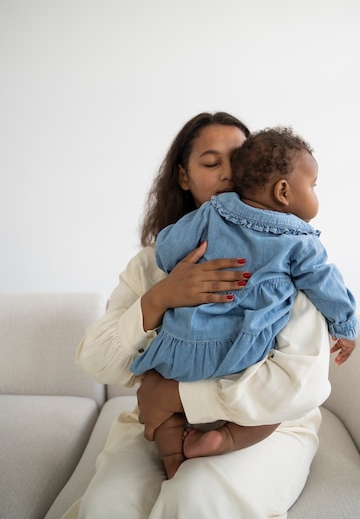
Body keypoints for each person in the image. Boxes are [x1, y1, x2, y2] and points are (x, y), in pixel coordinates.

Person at [63, 112, 332, 519]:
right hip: (161, 421)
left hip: (264, 423)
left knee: (195, 498)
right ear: (184, 177)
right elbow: (95, 361)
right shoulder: (154, 263)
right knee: (107, 506)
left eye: (239, 161)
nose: (229, 175)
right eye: (211, 163)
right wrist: (160, 298)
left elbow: (301, 383)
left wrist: (176, 395)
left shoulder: (289, 254)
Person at [130, 125, 358, 478]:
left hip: (182, 344)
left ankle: (172, 459)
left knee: (165, 409)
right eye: (313, 185)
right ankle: (224, 439)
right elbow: (326, 283)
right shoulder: (298, 240)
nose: (314, 194)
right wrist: (345, 325)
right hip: (241, 354)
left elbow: (166, 251)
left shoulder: (212, 213)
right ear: (283, 192)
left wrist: (176, 271)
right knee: (270, 415)